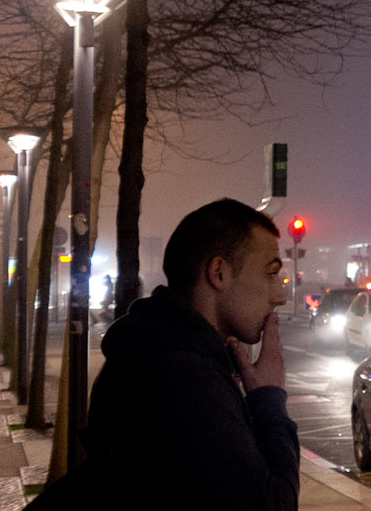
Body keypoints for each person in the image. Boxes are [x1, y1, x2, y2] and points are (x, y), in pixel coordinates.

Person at [31, 198, 298, 510]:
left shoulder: (155, 351)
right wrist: (269, 399)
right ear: (219, 273)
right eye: (270, 273)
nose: (280, 295)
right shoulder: (184, 379)